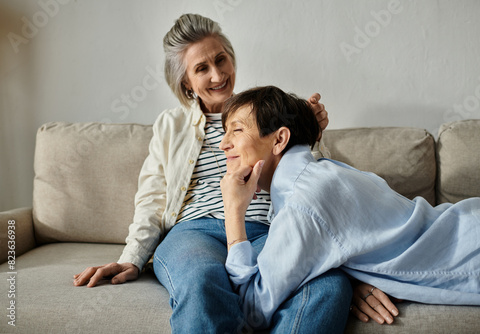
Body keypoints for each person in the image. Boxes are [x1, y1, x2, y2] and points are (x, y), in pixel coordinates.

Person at [73, 14, 354, 333]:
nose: (218, 74)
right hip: (195, 232)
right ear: (186, 83)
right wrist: (132, 258)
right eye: (202, 68)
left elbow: (320, 185)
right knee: (203, 279)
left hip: (270, 230)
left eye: (221, 60)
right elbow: (152, 199)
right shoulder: (171, 126)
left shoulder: (274, 112)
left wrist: (309, 130)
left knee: (328, 286)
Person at [219, 85, 480, 329]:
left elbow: (252, 308)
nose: (223, 144)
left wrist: (233, 212)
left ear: (279, 139)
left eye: (237, 130)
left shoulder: (301, 202)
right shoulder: (318, 175)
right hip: (479, 224)